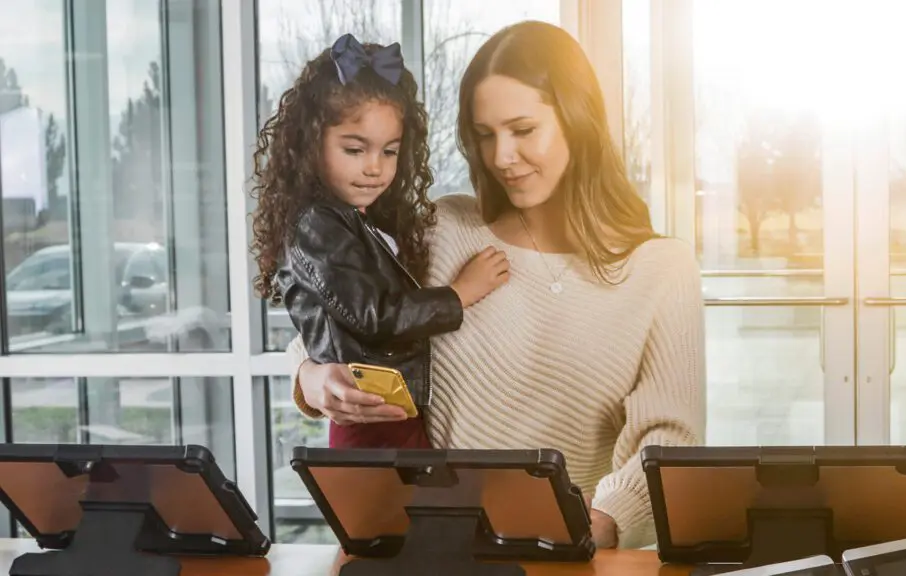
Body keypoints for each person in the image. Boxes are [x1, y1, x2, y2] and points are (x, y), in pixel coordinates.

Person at [288, 21, 706, 549]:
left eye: (523, 130)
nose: (501, 157)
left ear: (579, 121)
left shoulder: (662, 269)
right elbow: (332, 326)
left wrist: (601, 523)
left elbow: (669, 439)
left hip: (568, 556)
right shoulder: (443, 229)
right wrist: (310, 378)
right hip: (430, 550)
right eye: (485, 136)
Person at [250, 33, 509, 449]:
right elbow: (375, 316)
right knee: (393, 514)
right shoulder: (319, 224)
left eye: (389, 152)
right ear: (310, 144)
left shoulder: (363, 218)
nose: (375, 168)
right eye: (355, 150)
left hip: (388, 406)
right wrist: (459, 294)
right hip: (370, 412)